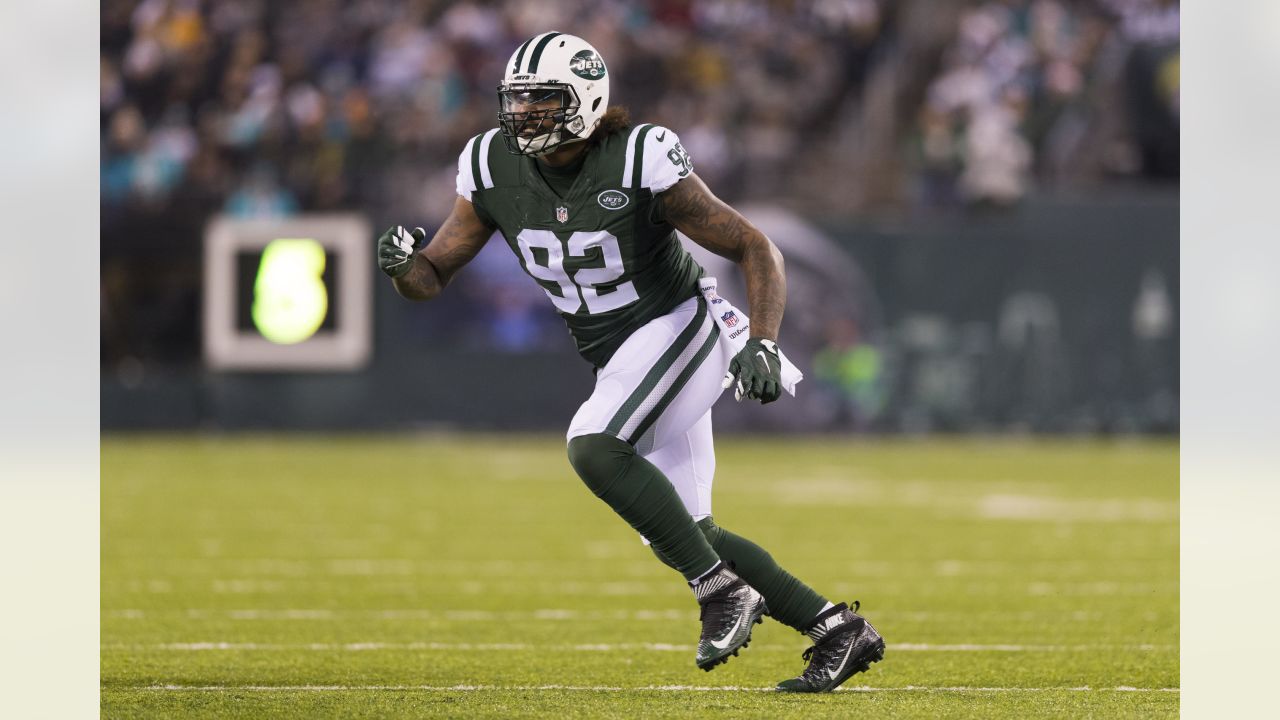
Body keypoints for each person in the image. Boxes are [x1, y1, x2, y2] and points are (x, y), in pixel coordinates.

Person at [376, 32, 884, 692]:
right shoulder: (490, 164)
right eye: (517, 101)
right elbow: (432, 274)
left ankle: (720, 593)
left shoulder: (640, 155)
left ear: (584, 102)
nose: (524, 114)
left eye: (542, 101)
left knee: (593, 445)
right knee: (689, 531)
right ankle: (837, 630)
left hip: (679, 325)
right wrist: (403, 268)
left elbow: (756, 247)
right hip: (621, 354)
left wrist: (763, 339)